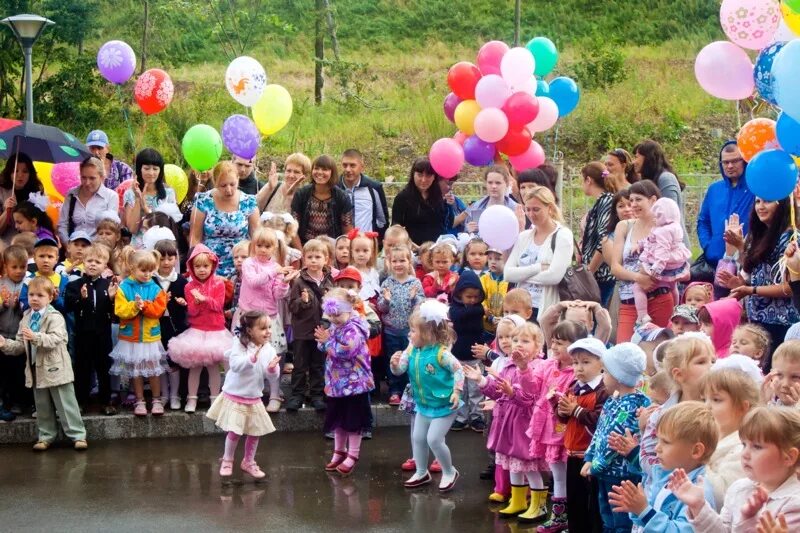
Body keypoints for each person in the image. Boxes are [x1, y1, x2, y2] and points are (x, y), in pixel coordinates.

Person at [464, 322, 547, 518]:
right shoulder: (508, 364)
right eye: (515, 339)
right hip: (507, 421)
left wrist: (512, 391)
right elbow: (497, 390)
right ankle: (517, 501)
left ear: (538, 346)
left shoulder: (538, 367)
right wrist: (481, 380)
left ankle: (538, 505)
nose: (518, 344)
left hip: (524, 423)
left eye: (525, 341)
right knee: (512, 462)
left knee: (528, 464)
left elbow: (529, 397)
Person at [671, 406, 800, 532]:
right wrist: (699, 507)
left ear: (789, 457)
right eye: (744, 444)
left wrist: (748, 518)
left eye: (757, 447)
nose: (745, 454)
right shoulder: (739, 488)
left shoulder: (794, 504)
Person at [0, 276, 88, 451]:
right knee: (42, 406)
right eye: (31, 294)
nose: (34, 298)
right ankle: (46, 436)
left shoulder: (54, 316)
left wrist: (36, 337)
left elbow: (57, 338)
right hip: (35, 368)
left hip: (56, 368)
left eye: (40, 295)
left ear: (50, 297)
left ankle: (77, 435)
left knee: (66, 403)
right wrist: (5, 344)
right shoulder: (25, 317)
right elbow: (20, 345)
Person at [390, 299, 464, 492]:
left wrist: (457, 392)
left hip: (445, 404)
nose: (409, 334)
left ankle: (449, 471)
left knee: (434, 439)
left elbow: (459, 371)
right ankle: (422, 471)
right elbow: (399, 370)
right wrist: (394, 363)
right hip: (423, 403)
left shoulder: (442, 354)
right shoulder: (412, 350)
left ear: (428, 333)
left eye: (413, 331)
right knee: (418, 438)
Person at [608, 401, 719, 531]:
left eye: (665, 442)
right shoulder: (665, 476)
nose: (657, 448)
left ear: (696, 451)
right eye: (658, 440)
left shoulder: (699, 494)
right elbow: (650, 514)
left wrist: (644, 511)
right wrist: (636, 508)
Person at [721, 198, 797, 371]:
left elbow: (789, 288)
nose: (760, 207)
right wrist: (741, 282)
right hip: (757, 320)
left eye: (767, 201)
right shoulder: (759, 234)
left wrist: (750, 290)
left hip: (781, 323)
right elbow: (754, 270)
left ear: (782, 204)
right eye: (757, 202)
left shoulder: (790, 238)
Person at [582, 343, 650, 533]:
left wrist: (595, 465)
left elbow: (615, 442)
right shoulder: (613, 401)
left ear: (618, 377)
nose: (603, 377)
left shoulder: (630, 408)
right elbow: (599, 432)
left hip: (622, 476)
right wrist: (589, 457)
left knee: (621, 521)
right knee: (607, 519)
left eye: (605, 372)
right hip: (605, 473)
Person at [526, 320, 586, 530]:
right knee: (557, 475)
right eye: (553, 341)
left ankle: (570, 518)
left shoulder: (577, 373)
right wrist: (523, 368)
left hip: (565, 433)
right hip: (547, 429)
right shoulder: (547, 366)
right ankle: (560, 517)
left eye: (560, 342)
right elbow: (531, 387)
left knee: (568, 477)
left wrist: (557, 399)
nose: (553, 346)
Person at [207, 310, 278, 481]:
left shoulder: (268, 348)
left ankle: (248, 461)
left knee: (255, 432)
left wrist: (272, 369)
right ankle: (228, 459)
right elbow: (236, 366)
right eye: (262, 328)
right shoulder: (239, 345)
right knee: (235, 431)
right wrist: (251, 359)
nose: (268, 331)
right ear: (249, 331)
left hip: (254, 396)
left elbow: (273, 376)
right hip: (236, 394)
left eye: (269, 327)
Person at [312, 288, 374, 476]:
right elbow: (323, 345)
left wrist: (328, 342)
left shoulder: (354, 328)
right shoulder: (335, 326)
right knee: (338, 420)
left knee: (353, 422)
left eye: (338, 315)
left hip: (355, 385)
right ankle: (339, 451)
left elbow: (346, 351)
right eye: (331, 315)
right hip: (337, 384)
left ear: (349, 309)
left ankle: (353, 454)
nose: (334, 319)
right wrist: (324, 341)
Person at [168, 245, 234, 413]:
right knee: (194, 367)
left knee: (213, 367)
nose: (202, 270)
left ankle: (214, 399)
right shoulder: (189, 287)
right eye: (197, 267)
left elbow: (218, 306)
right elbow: (191, 312)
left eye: (205, 266)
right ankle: (192, 399)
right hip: (197, 330)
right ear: (191, 268)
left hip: (216, 331)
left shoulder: (219, 283)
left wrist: (204, 299)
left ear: (212, 266)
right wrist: (196, 303)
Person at [610, 180, 674, 342]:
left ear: (653, 200)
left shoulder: (665, 227)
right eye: (631, 200)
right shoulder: (624, 226)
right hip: (629, 300)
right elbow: (615, 267)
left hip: (658, 297)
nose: (633, 204)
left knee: (658, 353)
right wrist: (638, 278)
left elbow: (674, 261)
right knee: (624, 351)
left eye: (638, 200)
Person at [557, 337, 608, 533]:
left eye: (586, 362)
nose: (579, 368)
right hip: (572, 453)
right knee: (575, 500)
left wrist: (575, 410)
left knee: (592, 503)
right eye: (576, 362)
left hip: (590, 456)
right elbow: (565, 419)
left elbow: (599, 420)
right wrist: (561, 411)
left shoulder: (603, 390)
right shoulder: (573, 386)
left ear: (601, 363)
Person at [109, 249, 167, 416]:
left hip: (149, 337)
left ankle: (156, 399)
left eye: (150, 270)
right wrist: (134, 306)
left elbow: (159, 310)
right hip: (131, 337)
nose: (147, 274)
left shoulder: (156, 288)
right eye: (143, 270)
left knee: (153, 368)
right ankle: (139, 400)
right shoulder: (124, 287)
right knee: (136, 370)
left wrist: (146, 306)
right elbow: (120, 310)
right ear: (132, 267)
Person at [504, 186, 573, 321]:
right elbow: (508, 273)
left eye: (536, 209)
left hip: (546, 307)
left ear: (550, 208)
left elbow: (554, 277)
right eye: (527, 209)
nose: (531, 214)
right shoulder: (524, 237)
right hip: (520, 308)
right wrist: (537, 268)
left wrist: (521, 275)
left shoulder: (562, 235)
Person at [64, 244, 116, 415]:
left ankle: (106, 401)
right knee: (82, 368)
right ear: (83, 262)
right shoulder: (75, 285)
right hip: (83, 333)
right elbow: (68, 306)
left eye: (98, 261)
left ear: (105, 265)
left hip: (103, 334)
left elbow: (114, 313)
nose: (93, 264)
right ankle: (81, 401)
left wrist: (112, 298)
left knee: (104, 367)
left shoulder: (107, 285)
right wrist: (81, 297)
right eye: (89, 260)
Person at [700, 364, 761, 507]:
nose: (706, 406)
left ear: (743, 407)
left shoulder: (744, 448)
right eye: (705, 400)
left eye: (716, 400)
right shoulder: (708, 436)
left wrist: (697, 459)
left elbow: (722, 496)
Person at [286, 239, 334, 412]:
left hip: (322, 331)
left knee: (318, 364)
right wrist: (302, 301)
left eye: (317, 257)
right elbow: (291, 307)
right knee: (299, 365)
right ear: (304, 260)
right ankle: (297, 395)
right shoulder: (299, 282)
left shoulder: (330, 281)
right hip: (302, 331)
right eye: (310, 257)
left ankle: (317, 395)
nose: (313, 260)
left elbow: (335, 305)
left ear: (326, 259)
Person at [697, 142, 754, 285]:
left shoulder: (755, 187)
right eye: (725, 162)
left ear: (744, 160)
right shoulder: (714, 189)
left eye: (735, 161)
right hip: (715, 264)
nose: (730, 166)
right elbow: (703, 221)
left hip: (745, 263)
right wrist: (708, 246)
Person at [190, 161, 259, 277]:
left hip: (240, 263)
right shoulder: (203, 200)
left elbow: (256, 237)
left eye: (232, 184)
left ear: (238, 179)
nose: (228, 190)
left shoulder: (249, 202)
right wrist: (196, 264)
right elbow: (195, 237)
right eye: (223, 185)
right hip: (209, 265)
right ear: (215, 183)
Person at [633, 197, 691, 326]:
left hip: (662, 263)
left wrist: (656, 269)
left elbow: (662, 252)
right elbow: (649, 239)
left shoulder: (662, 231)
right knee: (673, 286)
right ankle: (676, 308)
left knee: (637, 287)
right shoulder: (675, 226)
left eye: (656, 216)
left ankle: (642, 315)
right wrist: (640, 244)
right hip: (675, 263)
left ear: (662, 216)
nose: (653, 219)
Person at [377, 244, 424, 405]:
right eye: (394, 261)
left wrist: (414, 298)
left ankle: (410, 389)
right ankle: (395, 390)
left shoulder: (415, 283)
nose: (398, 264)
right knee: (394, 359)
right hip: (391, 330)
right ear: (389, 263)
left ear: (409, 261)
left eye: (402, 260)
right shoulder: (386, 283)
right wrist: (386, 300)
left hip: (410, 332)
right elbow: (381, 308)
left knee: (410, 359)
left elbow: (420, 306)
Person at [153, 238, 188, 410]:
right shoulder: (150, 280)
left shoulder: (181, 281)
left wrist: (183, 303)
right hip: (156, 326)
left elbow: (189, 303)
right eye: (161, 258)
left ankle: (175, 395)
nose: (166, 263)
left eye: (170, 258)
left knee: (174, 362)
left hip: (176, 327)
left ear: (176, 259)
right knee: (160, 361)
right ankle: (163, 395)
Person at [634, 139, 688, 246]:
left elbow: (669, 216)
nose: (634, 161)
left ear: (648, 157)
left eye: (637, 157)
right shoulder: (649, 180)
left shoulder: (666, 179)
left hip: (672, 248)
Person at [123, 148, 179, 249]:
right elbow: (132, 229)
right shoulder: (130, 194)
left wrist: (147, 210)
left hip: (162, 248)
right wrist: (137, 199)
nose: (151, 173)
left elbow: (170, 226)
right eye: (147, 168)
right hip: (139, 248)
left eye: (155, 169)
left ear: (160, 170)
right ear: (139, 169)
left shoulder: (168, 193)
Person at [57, 156, 119, 245]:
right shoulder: (72, 194)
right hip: (74, 249)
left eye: (92, 178)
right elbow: (63, 225)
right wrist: (69, 246)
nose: (87, 183)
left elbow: (110, 229)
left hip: (98, 250)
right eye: (84, 178)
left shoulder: (110, 196)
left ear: (101, 177)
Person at [579, 162, 617, 307]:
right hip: (596, 273)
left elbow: (603, 238)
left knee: (595, 316)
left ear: (589, 180)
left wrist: (590, 270)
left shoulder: (606, 201)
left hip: (600, 274)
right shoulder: (601, 201)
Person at [391, 157, 447, 246]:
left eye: (428, 175)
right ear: (413, 175)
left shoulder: (438, 196)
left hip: (435, 249)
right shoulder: (402, 197)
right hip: (411, 249)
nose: (423, 180)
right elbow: (395, 226)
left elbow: (442, 223)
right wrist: (410, 244)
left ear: (434, 177)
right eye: (420, 175)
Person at [0, 245, 27, 421]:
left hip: (19, 338)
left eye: (22, 267)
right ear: (6, 266)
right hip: (2, 336)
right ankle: (5, 402)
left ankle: (19, 402)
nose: (18, 271)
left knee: (19, 371)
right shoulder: (1, 284)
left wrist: (19, 306)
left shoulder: (28, 284)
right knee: (3, 373)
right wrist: (3, 305)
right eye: (14, 267)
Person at [337, 149, 389, 238]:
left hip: (366, 245)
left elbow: (382, 221)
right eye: (345, 165)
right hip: (340, 246)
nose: (348, 169)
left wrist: (375, 241)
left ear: (362, 167)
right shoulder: (334, 187)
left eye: (352, 165)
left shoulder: (374, 188)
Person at [456, 165, 519, 234]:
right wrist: (468, 229)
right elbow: (467, 235)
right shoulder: (476, 207)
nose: (493, 186)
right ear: (485, 183)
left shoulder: (516, 209)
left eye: (498, 183)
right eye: (490, 182)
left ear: (506, 184)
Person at [0, 153, 45, 242]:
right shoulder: (1, 192)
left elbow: (42, 224)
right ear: (9, 173)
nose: (20, 175)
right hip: (6, 245)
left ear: (30, 174)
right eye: (15, 171)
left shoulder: (37, 192)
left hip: (31, 243)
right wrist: (7, 211)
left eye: (25, 171)